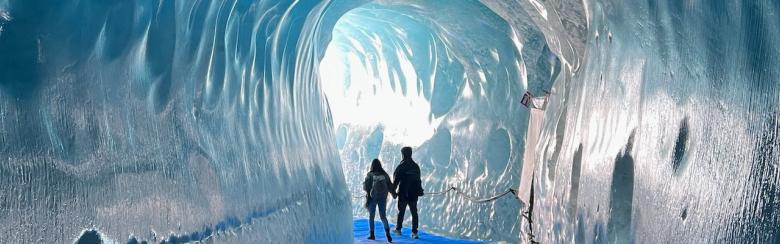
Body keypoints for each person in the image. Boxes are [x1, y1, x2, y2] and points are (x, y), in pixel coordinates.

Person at [392, 146, 424, 239]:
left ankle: (398, 229)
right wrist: (420, 190)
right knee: (414, 213)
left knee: (401, 212)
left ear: (403, 154)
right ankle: (414, 232)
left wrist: (393, 192)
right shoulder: (415, 166)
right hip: (413, 194)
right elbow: (418, 181)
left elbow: (396, 181)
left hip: (403, 194)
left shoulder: (401, 166)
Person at [363, 159, 395, 242]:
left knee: (371, 217)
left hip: (372, 198)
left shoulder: (370, 175)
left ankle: (372, 235)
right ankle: (388, 234)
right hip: (383, 198)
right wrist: (394, 194)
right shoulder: (385, 175)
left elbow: (365, 187)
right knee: (383, 216)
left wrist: (368, 192)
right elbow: (390, 186)